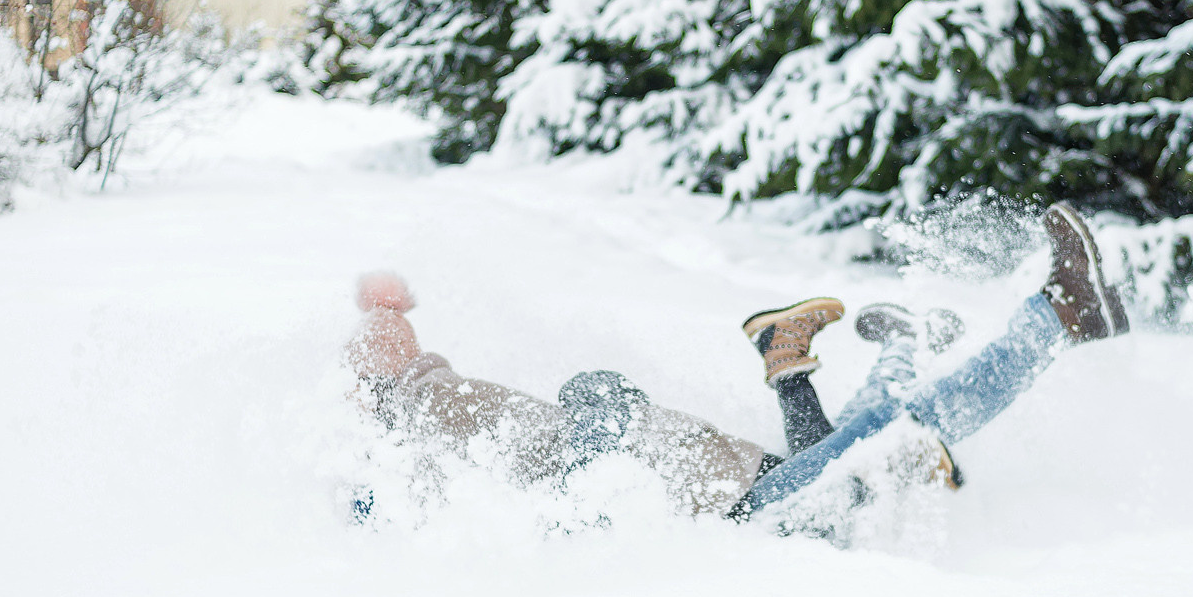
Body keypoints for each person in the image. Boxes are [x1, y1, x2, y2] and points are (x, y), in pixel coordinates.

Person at [346, 203, 1128, 525]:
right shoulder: (425, 454)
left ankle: (886, 349)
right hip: (747, 516)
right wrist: (600, 422)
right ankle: (1058, 314)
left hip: (739, 477)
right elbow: (571, 503)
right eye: (387, 345)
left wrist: (599, 409)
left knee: (866, 426)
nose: (397, 341)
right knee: (888, 429)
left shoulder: (433, 407)